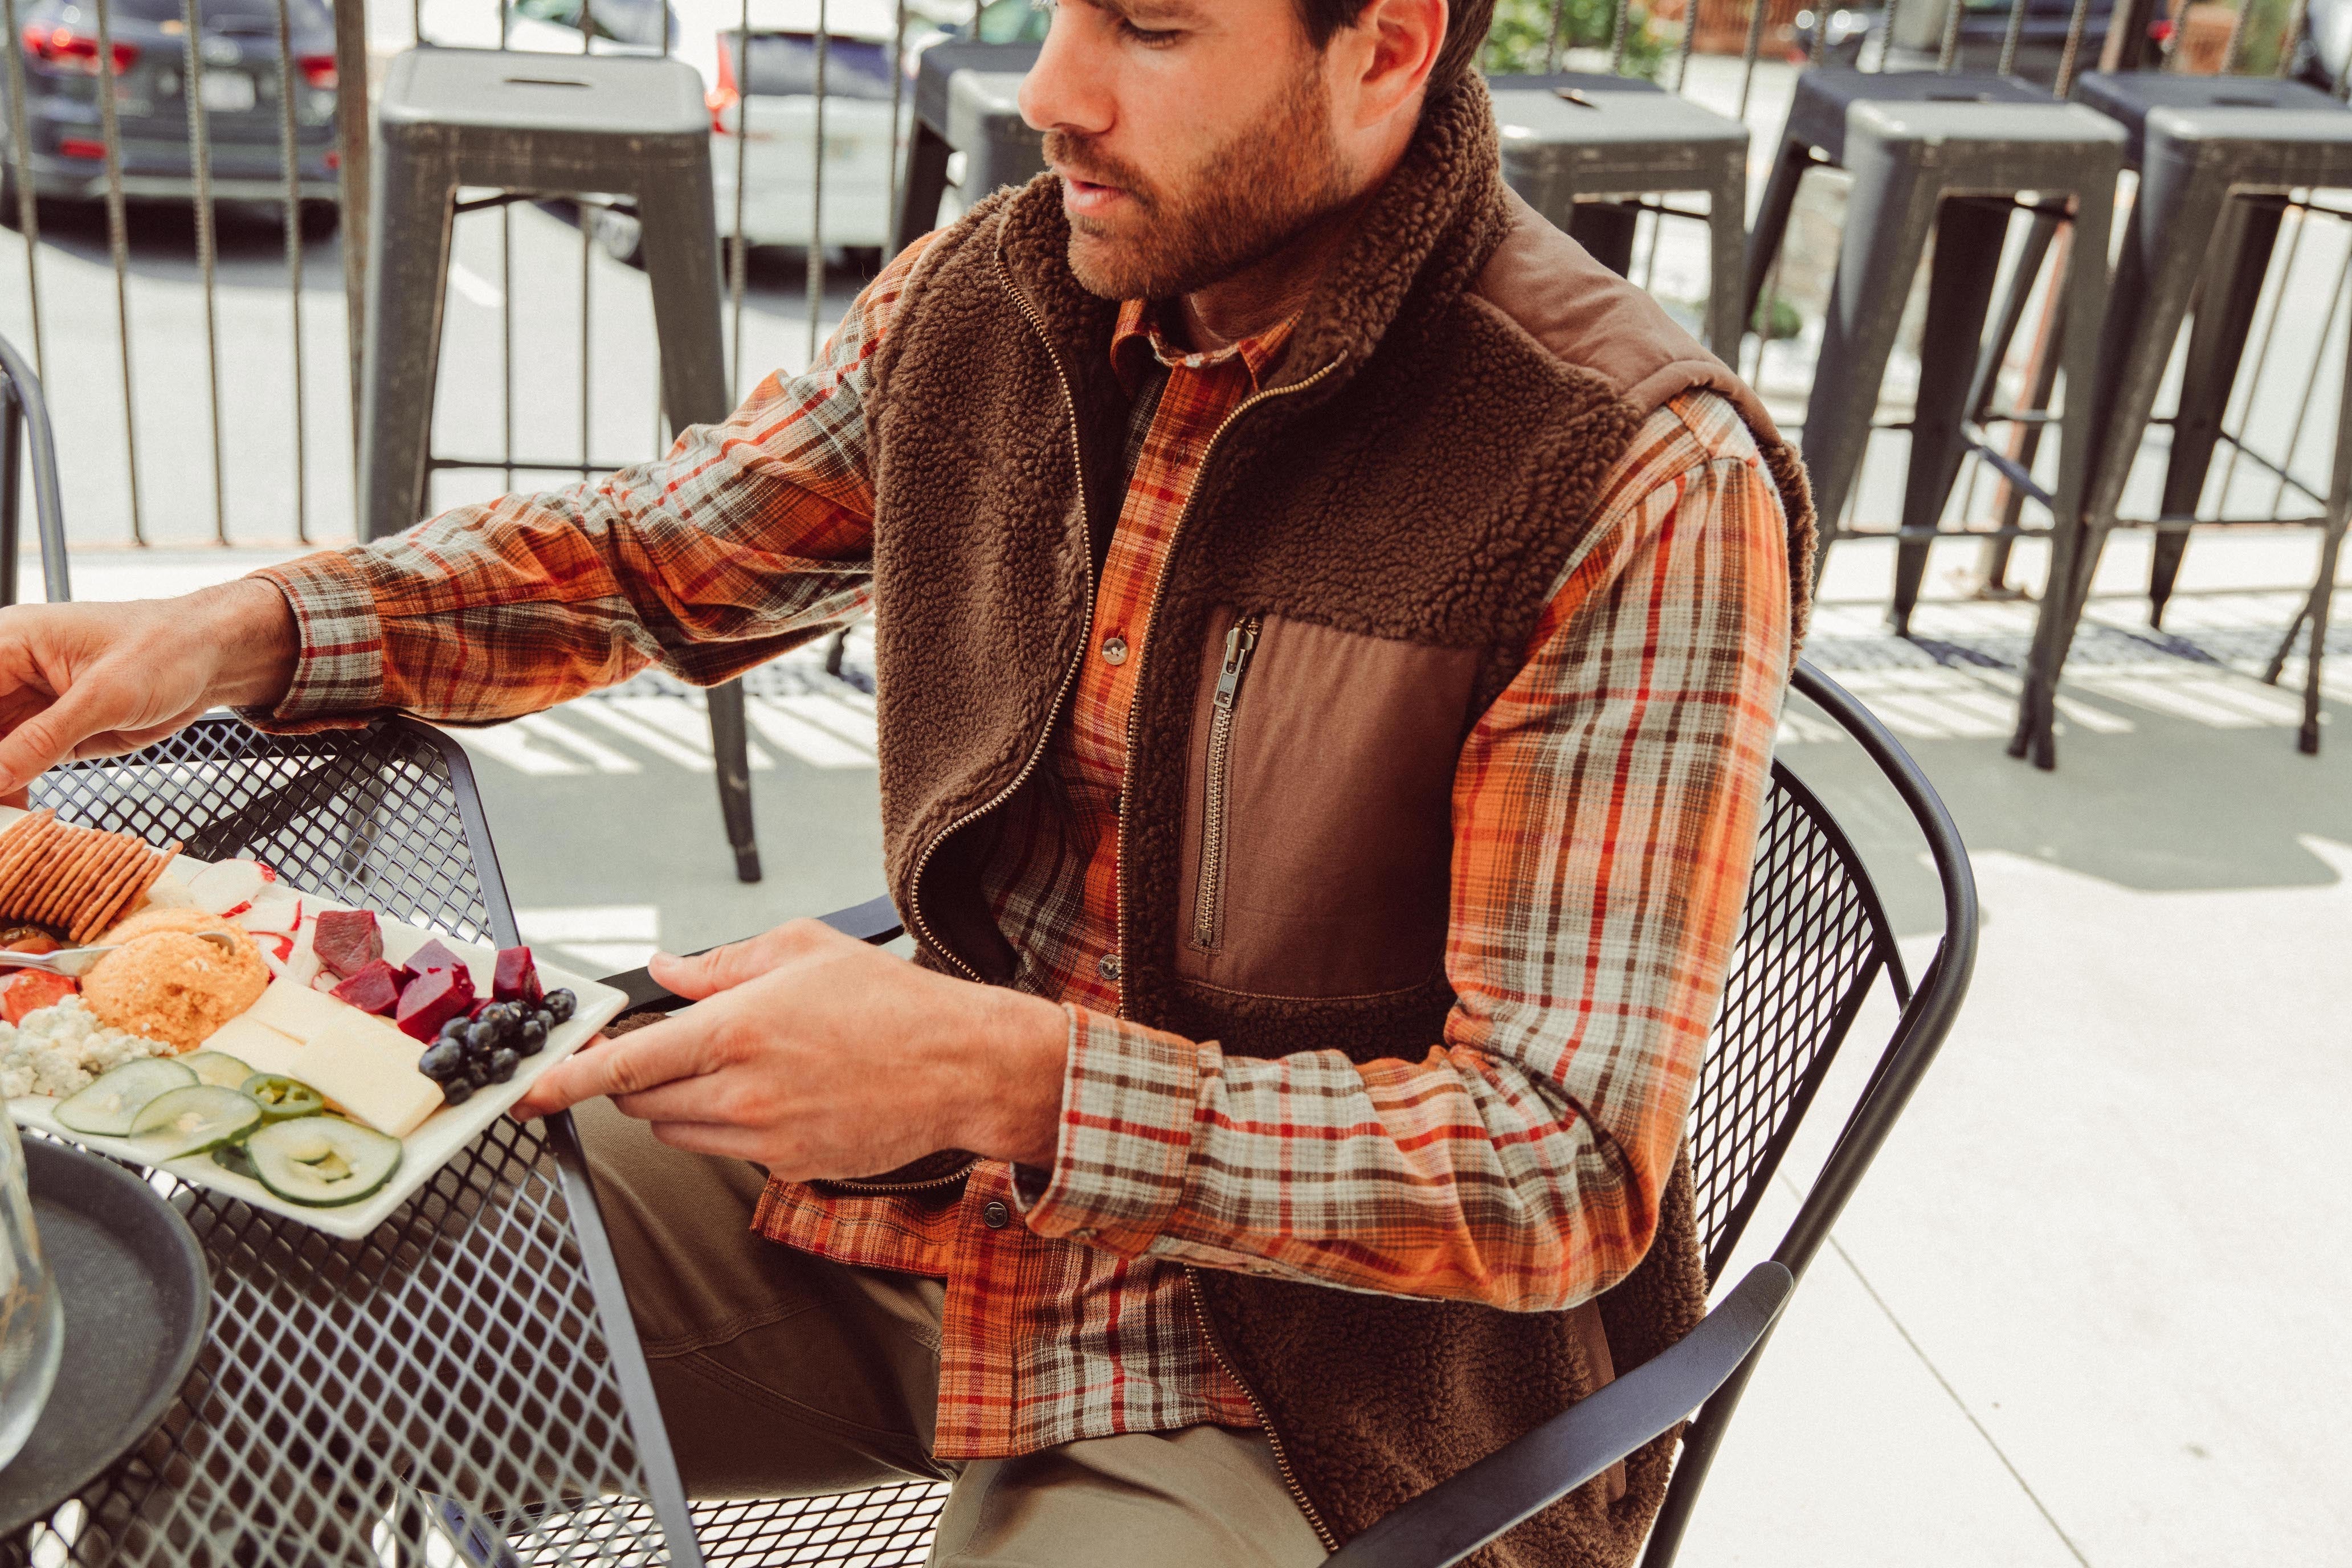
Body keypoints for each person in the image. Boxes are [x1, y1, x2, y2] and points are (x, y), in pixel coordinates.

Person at [0, 0, 1815, 1558]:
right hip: (926, 1194)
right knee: (227, 1332)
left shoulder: (1625, 474)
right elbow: (650, 557)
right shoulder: (1007, 300)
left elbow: (1557, 1165)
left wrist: (1012, 1074)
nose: (1051, 87)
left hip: (1309, 1376)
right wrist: (239, 630)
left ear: (1386, 50)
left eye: (1152, 27)